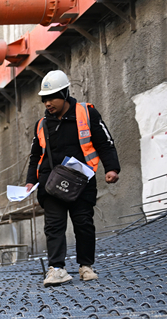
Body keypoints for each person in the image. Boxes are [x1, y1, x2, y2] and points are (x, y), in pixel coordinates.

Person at [25, 70, 120, 287]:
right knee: (54, 226)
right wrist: (31, 181)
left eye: (52, 98)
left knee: (84, 223)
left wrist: (112, 168)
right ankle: (56, 268)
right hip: (51, 184)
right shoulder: (42, 124)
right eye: (44, 99)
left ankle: (85, 266)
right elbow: (35, 156)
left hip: (81, 181)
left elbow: (105, 143)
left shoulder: (87, 113)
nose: (48, 103)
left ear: (65, 94)